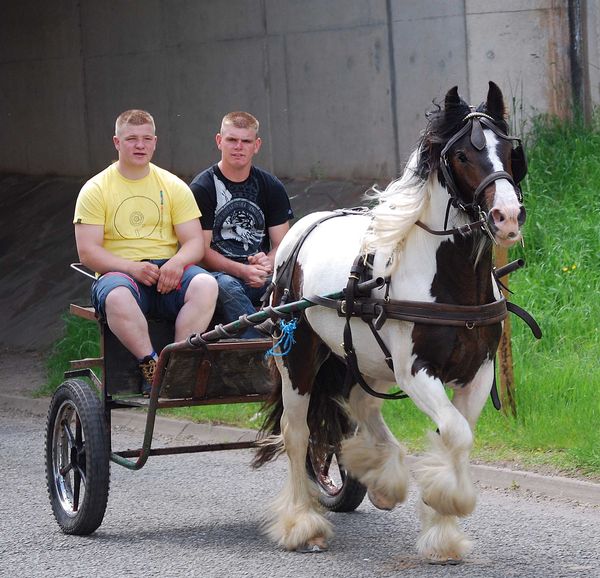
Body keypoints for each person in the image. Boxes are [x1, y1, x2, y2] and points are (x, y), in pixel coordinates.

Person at [73, 109, 218, 395]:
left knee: (206, 284)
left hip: (166, 272)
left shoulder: (173, 185)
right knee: (116, 297)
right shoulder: (95, 189)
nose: (139, 145)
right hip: (120, 274)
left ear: (155, 142)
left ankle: (177, 365)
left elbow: (194, 243)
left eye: (146, 139)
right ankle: (151, 368)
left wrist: (176, 263)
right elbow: (88, 252)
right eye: (131, 139)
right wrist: (131, 268)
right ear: (117, 143)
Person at [189, 111, 293, 338]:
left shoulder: (271, 186)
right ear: (219, 141)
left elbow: (283, 244)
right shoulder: (203, 187)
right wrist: (242, 271)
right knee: (226, 286)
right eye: (232, 140)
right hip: (216, 276)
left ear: (256, 145)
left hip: (259, 276)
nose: (239, 147)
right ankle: (261, 348)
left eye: (246, 141)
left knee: (295, 285)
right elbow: (200, 252)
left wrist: (267, 261)